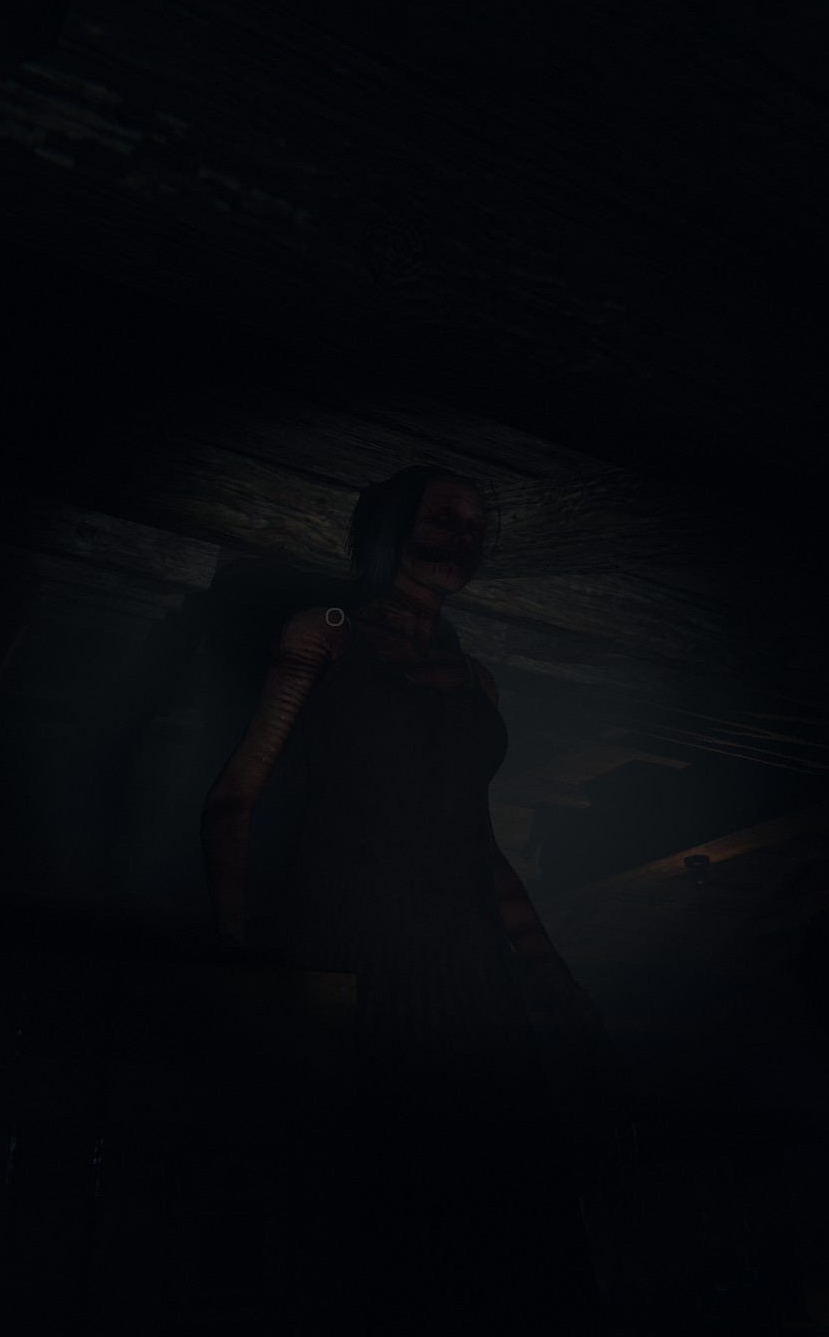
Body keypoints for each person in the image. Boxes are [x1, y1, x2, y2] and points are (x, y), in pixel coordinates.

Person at [199, 465, 620, 1333]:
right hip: (347, 940)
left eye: (473, 529)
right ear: (390, 525)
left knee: (488, 1199)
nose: (460, 540)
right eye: (441, 520)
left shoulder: (477, 680)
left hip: (468, 969)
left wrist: (552, 976)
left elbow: (479, 846)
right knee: (353, 1190)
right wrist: (244, 963)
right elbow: (236, 797)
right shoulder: (327, 635)